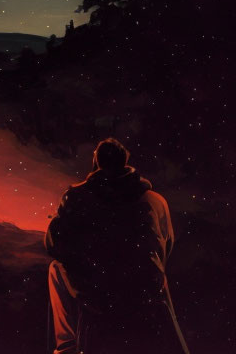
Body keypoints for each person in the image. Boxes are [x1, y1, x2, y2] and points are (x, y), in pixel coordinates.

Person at [44, 138, 189, 354]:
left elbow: (53, 245)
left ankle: (66, 348)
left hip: (99, 296)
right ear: (126, 162)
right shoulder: (155, 200)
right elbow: (166, 246)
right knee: (155, 270)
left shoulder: (75, 198)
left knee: (56, 269)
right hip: (145, 292)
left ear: (96, 161)